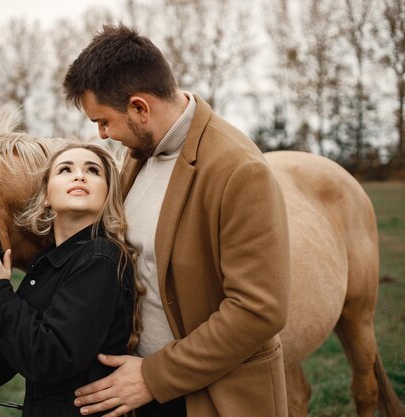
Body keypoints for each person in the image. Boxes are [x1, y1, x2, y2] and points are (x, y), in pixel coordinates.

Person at [62, 25, 291, 417]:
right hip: (139, 390)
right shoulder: (138, 152)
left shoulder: (239, 170)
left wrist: (154, 376)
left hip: (212, 397)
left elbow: (259, 310)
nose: (101, 135)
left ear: (139, 108)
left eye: (103, 121)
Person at [0, 143, 143, 417]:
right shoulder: (46, 267)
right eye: (65, 169)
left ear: (107, 195)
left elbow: (51, 356)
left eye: (92, 171)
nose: (79, 176)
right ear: (46, 195)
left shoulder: (100, 258)